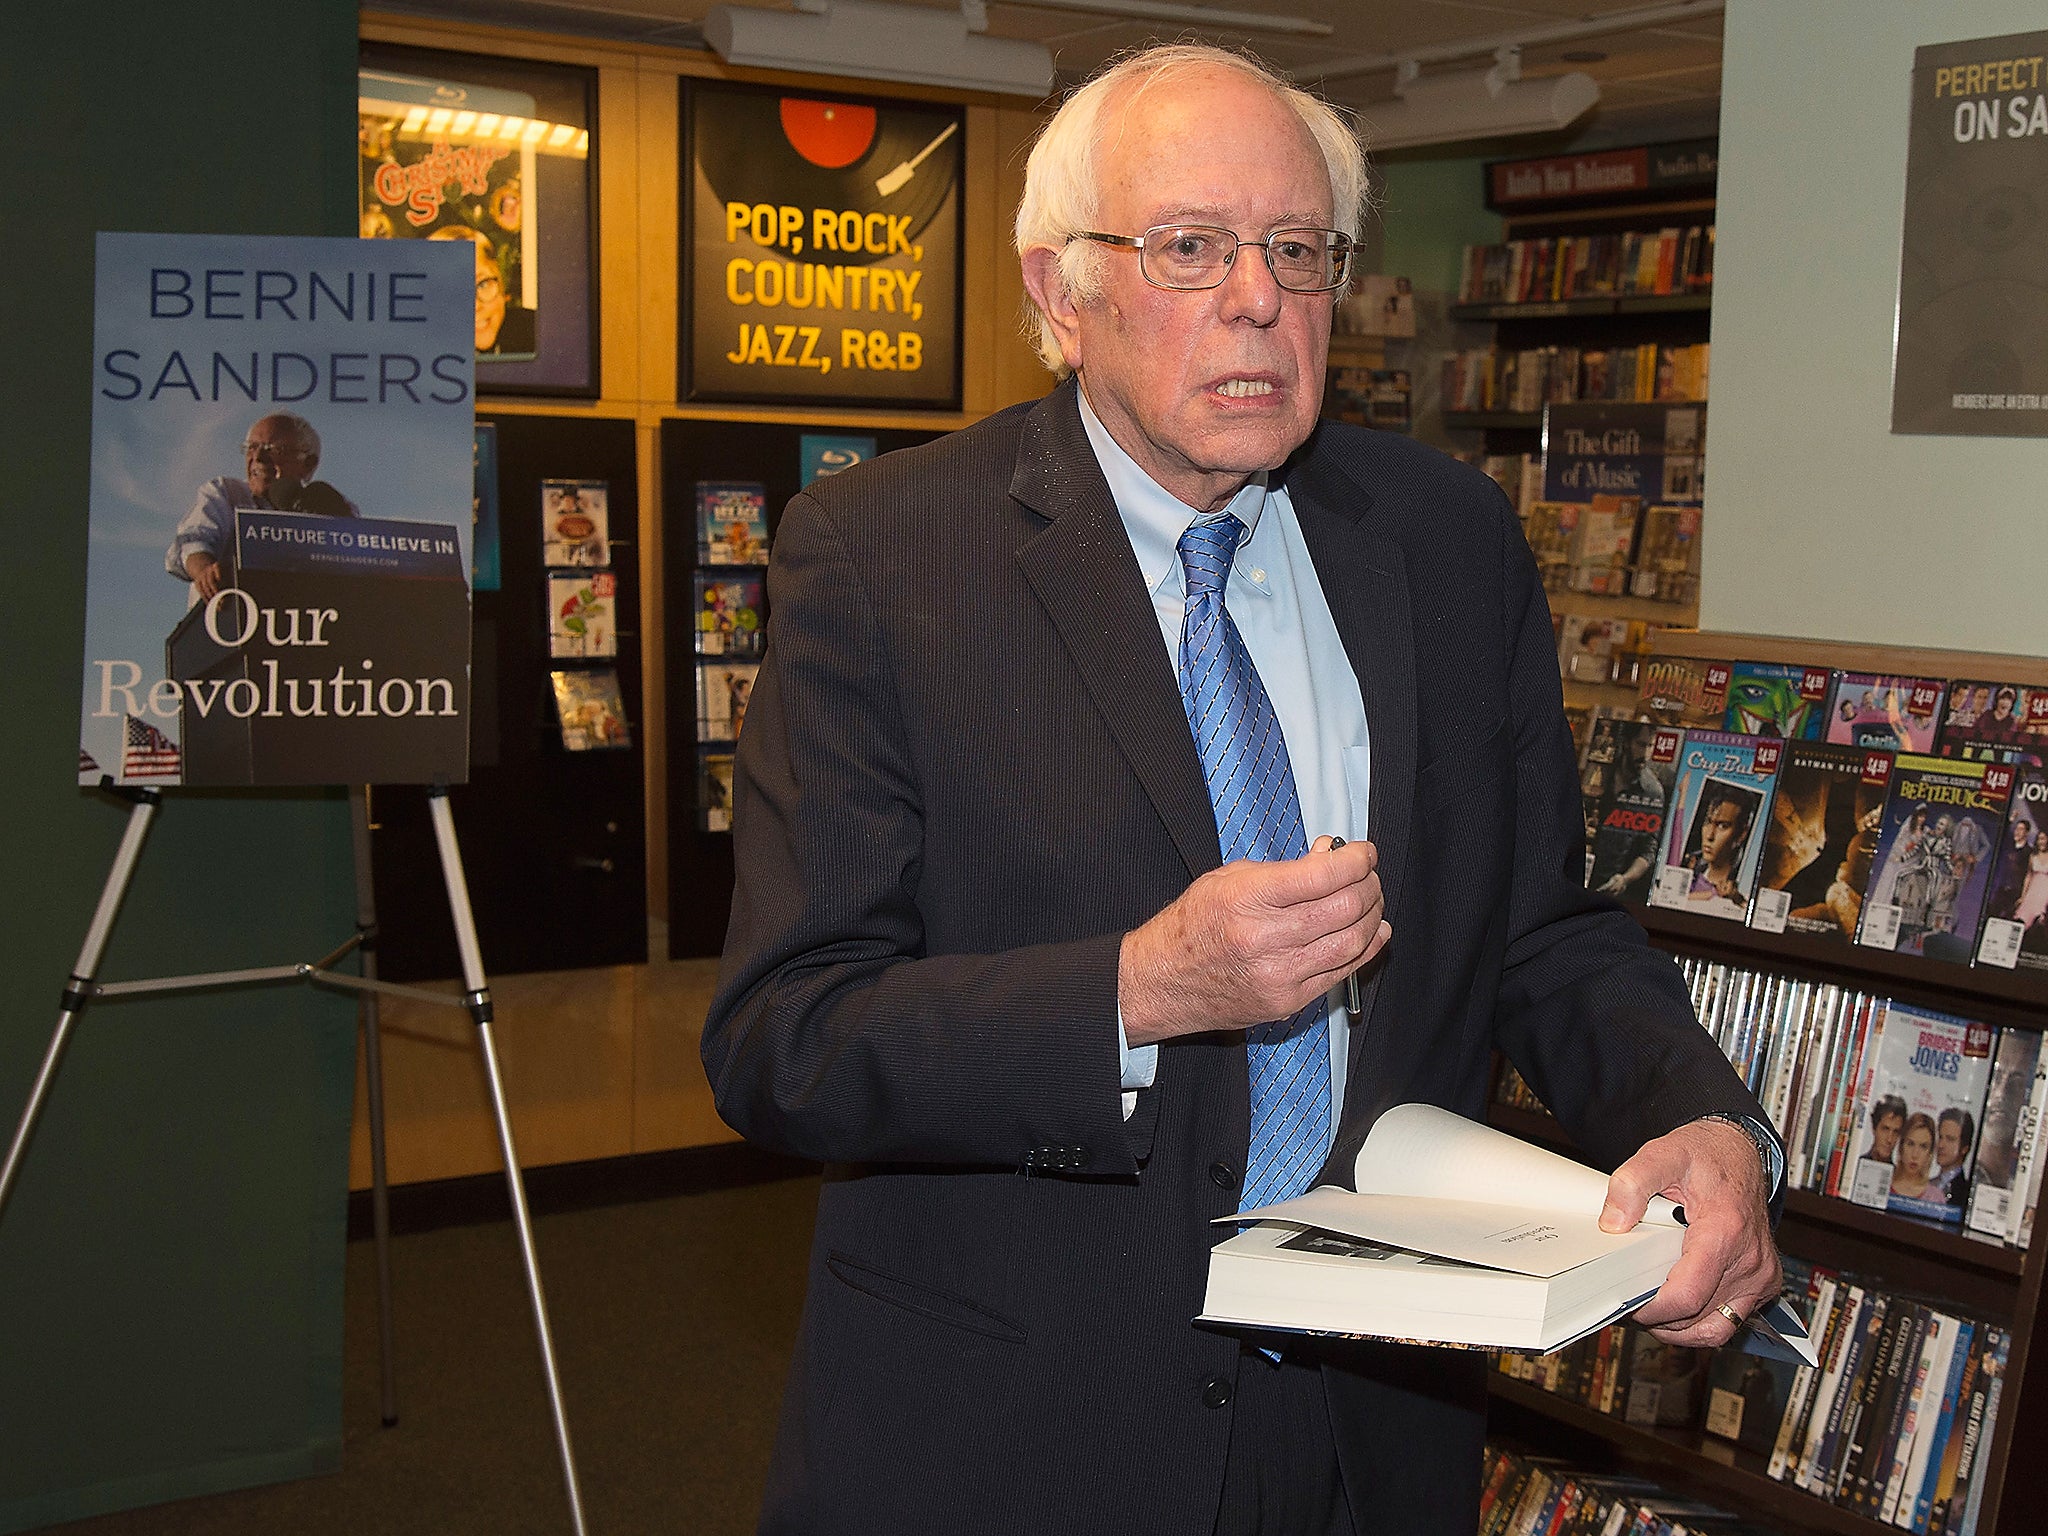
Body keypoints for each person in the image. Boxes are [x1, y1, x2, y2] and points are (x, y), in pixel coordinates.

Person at [701, 45, 1782, 1536]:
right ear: (1059, 292)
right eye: (1191, 248)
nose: (1259, 300)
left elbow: (1537, 926)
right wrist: (1136, 991)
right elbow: (786, 1037)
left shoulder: (1449, 541)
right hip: (1020, 1424)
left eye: (1297, 250)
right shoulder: (884, 562)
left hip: (1370, 1415)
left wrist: (1708, 1121)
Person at [164, 412, 359, 603]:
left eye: (274, 449)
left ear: (308, 464)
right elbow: (191, 541)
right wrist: (204, 570)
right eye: (251, 448)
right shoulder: (225, 493)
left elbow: (359, 561)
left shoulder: (328, 504)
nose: (258, 457)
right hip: (227, 623)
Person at [1682, 784, 1757, 917]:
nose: (1710, 835)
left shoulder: (1745, 883)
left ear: (1742, 834)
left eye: (1723, 826)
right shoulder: (1689, 866)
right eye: (1708, 822)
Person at [1888, 1113, 1940, 1204]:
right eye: (1910, 1144)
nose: (1915, 1154)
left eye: (1923, 1147)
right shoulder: (1884, 1184)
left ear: (1930, 1153)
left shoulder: (1935, 1198)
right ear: (1901, 1147)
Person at [1934, 1107, 1974, 1211]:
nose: (1941, 1145)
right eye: (1940, 1137)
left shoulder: (1966, 1192)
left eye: (1950, 1139)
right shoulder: (1925, 1184)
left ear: (1964, 1148)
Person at [1863, 1096, 1906, 1163]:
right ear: (1874, 1128)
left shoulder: (1898, 1173)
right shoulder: (1855, 1162)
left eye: (1896, 1132)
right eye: (1885, 1129)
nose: (1889, 1139)